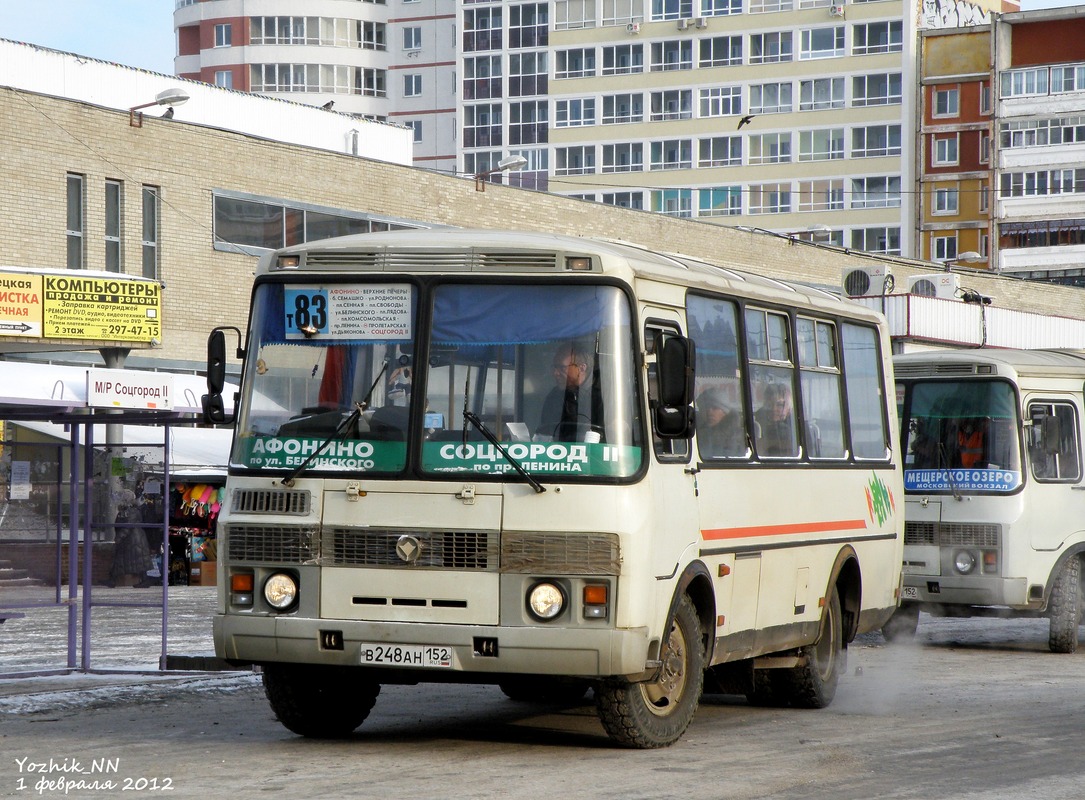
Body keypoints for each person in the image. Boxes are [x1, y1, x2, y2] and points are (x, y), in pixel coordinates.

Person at [538, 343, 604, 442]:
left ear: (581, 368)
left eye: (561, 368)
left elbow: (612, 435)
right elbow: (544, 433)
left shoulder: (603, 397)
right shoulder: (554, 396)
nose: (555, 373)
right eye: (554, 367)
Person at [697, 388, 744, 457]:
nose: (709, 412)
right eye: (706, 407)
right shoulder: (693, 433)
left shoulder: (736, 436)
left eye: (715, 408)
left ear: (725, 412)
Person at [755, 382, 796, 457]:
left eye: (779, 405)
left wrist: (769, 443)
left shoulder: (797, 426)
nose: (773, 409)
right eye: (769, 405)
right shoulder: (756, 422)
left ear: (789, 407)